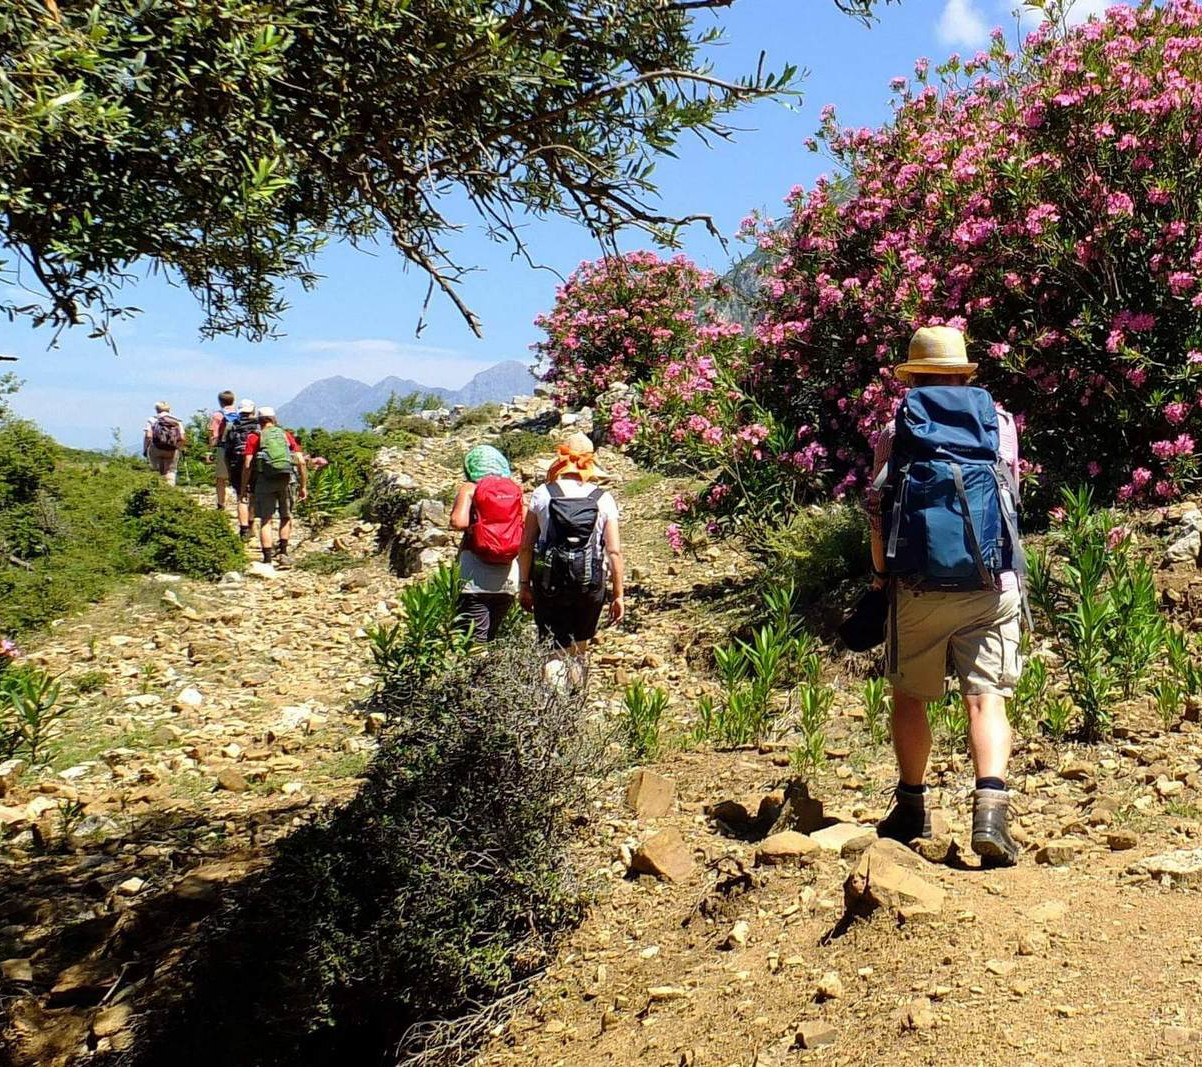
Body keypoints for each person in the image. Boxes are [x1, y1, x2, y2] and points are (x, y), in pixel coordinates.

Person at [866, 326, 1025, 867]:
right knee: (986, 698)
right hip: (990, 583)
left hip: (917, 584)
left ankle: (912, 806)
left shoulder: (894, 428)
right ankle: (991, 816)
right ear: (963, 372)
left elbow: (876, 508)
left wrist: (881, 575)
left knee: (911, 696)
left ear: (913, 375)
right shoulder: (1000, 424)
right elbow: (1010, 495)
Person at [518, 432, 624, 679]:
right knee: (579, 649)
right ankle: (574, 706)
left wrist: (524, 584)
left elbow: (526, 546)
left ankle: (553, 708)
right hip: (589, 583)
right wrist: (618, 594)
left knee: (553, 649)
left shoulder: (542, 493)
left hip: (548, 582)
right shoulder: (603, 499)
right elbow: (614, 551)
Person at [449, 445, 525, 642]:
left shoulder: (470, 488)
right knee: (492, 637)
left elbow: (459, 521)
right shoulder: (514, 489)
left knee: (473, 640)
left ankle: (473, 673)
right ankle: (492, 672)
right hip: (507, 577)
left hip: (474, 577)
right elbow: (524, 523)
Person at [239, 407, 307, 566]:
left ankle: (267, 559)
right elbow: (301, 461)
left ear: (259, 421)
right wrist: (303, 486)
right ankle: (283, 552)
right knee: (285, 516)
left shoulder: (254, 437)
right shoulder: (285, 435)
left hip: (264, 481)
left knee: (266, 520)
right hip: (286, 480)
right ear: (274, 419)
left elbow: (248, 464)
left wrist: (244, 488)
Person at [223, 398, 258, 540]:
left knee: (241, 495)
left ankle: (243, 530)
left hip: (237, 463)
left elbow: (227, 452)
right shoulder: (258, 427)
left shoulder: (231, 426)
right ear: (253, 411)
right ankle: (251, 524)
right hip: (255, 463)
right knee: (254, 495)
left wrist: (229, 471)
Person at [207, 390, 239, 510]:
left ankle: (221, 504)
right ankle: (241, 503)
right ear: (233, 400)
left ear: (220, 402)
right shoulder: (240, 413)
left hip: (223, 448)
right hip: (239, 448)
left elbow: (213, 435)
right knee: (240, 477)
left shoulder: (217, 415)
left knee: (221, 478)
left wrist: (210, 451)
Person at [143, 402, 186, 486]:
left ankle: (157, 492)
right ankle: (169, 492)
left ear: (157, 410)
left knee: (155, 471)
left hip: (156, 448)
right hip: (172, 449)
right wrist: (179, 447)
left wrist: (145, 449)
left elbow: (148, 436)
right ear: (169, 410)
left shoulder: (153, 419)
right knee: (170, 471)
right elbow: (182, 437)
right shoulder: (176, 421)